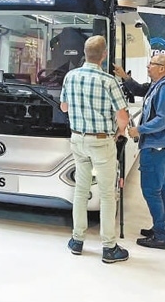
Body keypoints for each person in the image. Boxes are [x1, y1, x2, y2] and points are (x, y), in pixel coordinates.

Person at [60, 35, 130, 264]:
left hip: (77, 140)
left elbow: (64, 107)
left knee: (81, 190)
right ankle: (109, 247)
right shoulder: (108, 81)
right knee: (107, 194)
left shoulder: (70, 76)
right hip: (101, 141)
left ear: (84, 52)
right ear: (104, 55)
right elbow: (122, 116)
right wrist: (120, 131)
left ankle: (77, 240)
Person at [128, 55, 165, 249]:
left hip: (157, 146)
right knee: (162, 187)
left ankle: (161, 236)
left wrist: (139, 129)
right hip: (164, 146)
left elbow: (162, 119)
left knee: (151, 190)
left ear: (162, 68)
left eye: (151, 64)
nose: (148, 66)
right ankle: (160, 226)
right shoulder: (160, 85)